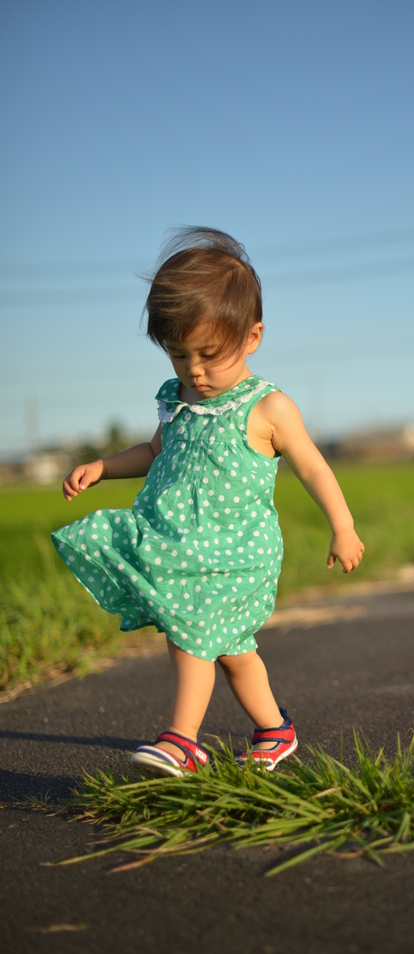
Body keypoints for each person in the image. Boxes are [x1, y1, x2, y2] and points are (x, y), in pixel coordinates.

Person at [52, 227, 364, 777]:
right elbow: (154, 451)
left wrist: (343, 527)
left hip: (235, 552)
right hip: (178, 541)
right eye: (178, 355)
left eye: (208, 355)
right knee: (235, 654)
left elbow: (314, 467)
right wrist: (104, 467)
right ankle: (275, 730)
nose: (193, 370)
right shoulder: (177, 400)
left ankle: (182, 741)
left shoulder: (268, 408)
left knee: (190, 632)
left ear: (252, 337)